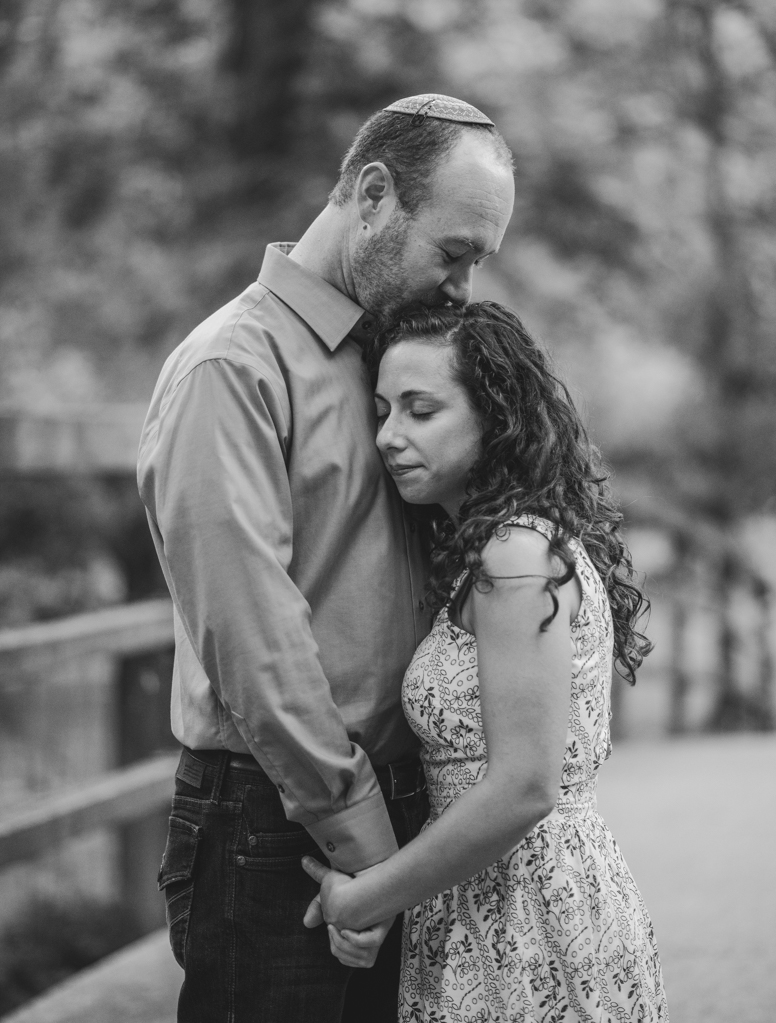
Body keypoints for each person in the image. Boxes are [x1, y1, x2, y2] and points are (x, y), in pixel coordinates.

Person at [136, 95, 516, 1022]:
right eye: (455, 251)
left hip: (403, 809)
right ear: (375, 194)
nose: (464, 286)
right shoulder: (233, 368)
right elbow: (255, 645)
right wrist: (367, 847)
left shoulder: (398, 363)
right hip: (278, 823)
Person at [303, 301, 669, 1023]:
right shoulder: (505, 549)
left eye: (421, 410)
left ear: (494, 417)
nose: (388, 437)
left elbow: (523, 788)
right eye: (381, 411)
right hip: (498, 902)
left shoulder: (515, 555)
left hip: (531, 915)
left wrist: (365, 896)